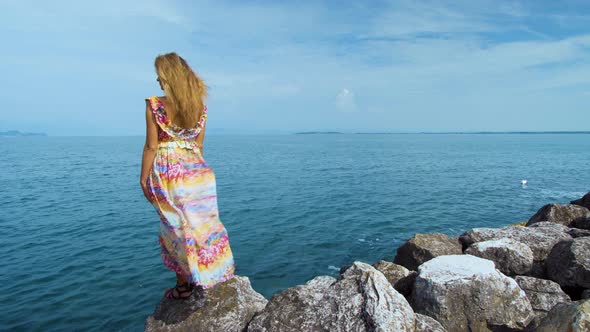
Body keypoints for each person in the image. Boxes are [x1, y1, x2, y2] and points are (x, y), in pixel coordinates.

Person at [140, 52, 235, 300]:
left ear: (169, 76)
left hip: (170, 172)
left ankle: (183, 286)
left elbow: (151, 146)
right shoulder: (199, 108)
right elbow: (199, 146)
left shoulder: (154, 104)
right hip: (198, 173)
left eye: (160, 75)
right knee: (204, 227)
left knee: (174, 227)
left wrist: (143, 178)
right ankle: (213, 276)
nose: (158, 81)